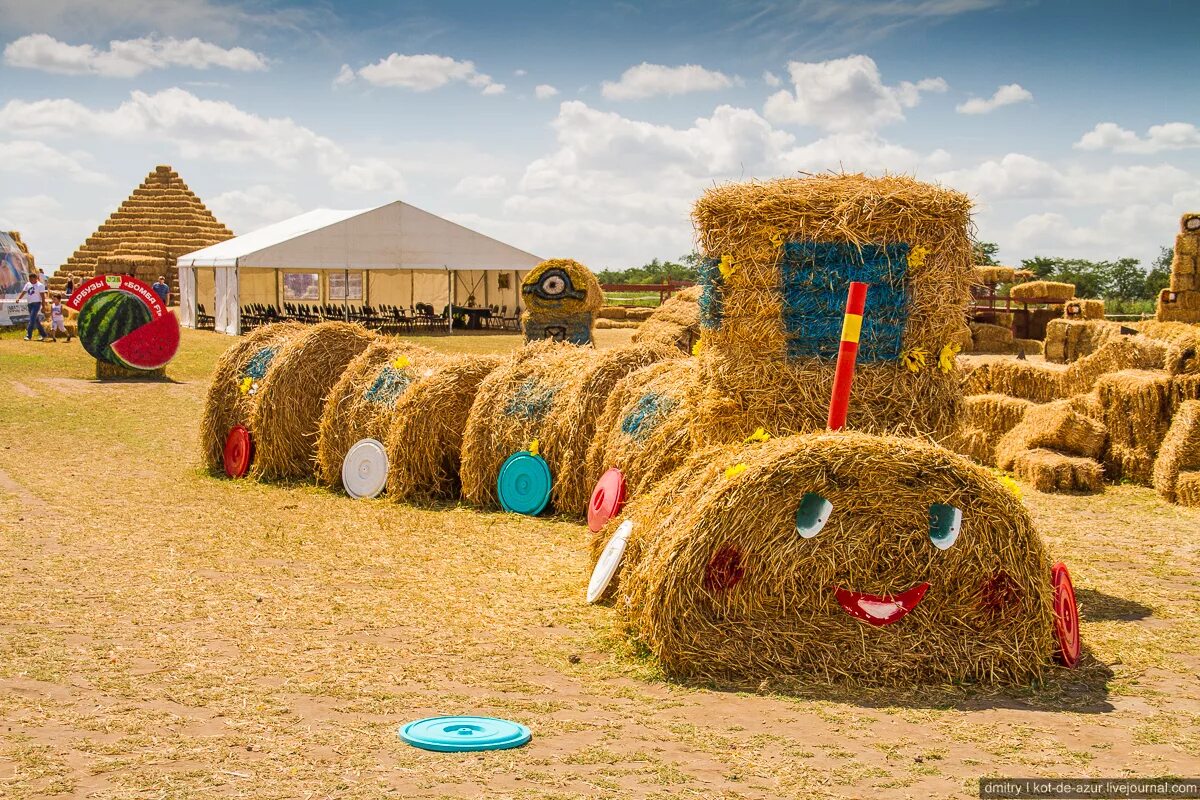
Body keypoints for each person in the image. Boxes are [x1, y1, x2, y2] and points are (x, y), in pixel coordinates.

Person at [15, 272, 48, 341]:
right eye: (29, 279)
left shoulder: (40, 285)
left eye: (31, 279)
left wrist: (43, 306)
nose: (30, 280)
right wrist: (19, 298)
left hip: (37, 304)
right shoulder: (28, 284)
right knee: (36, 320)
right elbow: (24, 292)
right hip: (29, 304)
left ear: (36, 278)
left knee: (32, 319)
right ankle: (44, 335)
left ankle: (28, 335)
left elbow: (43, 297)